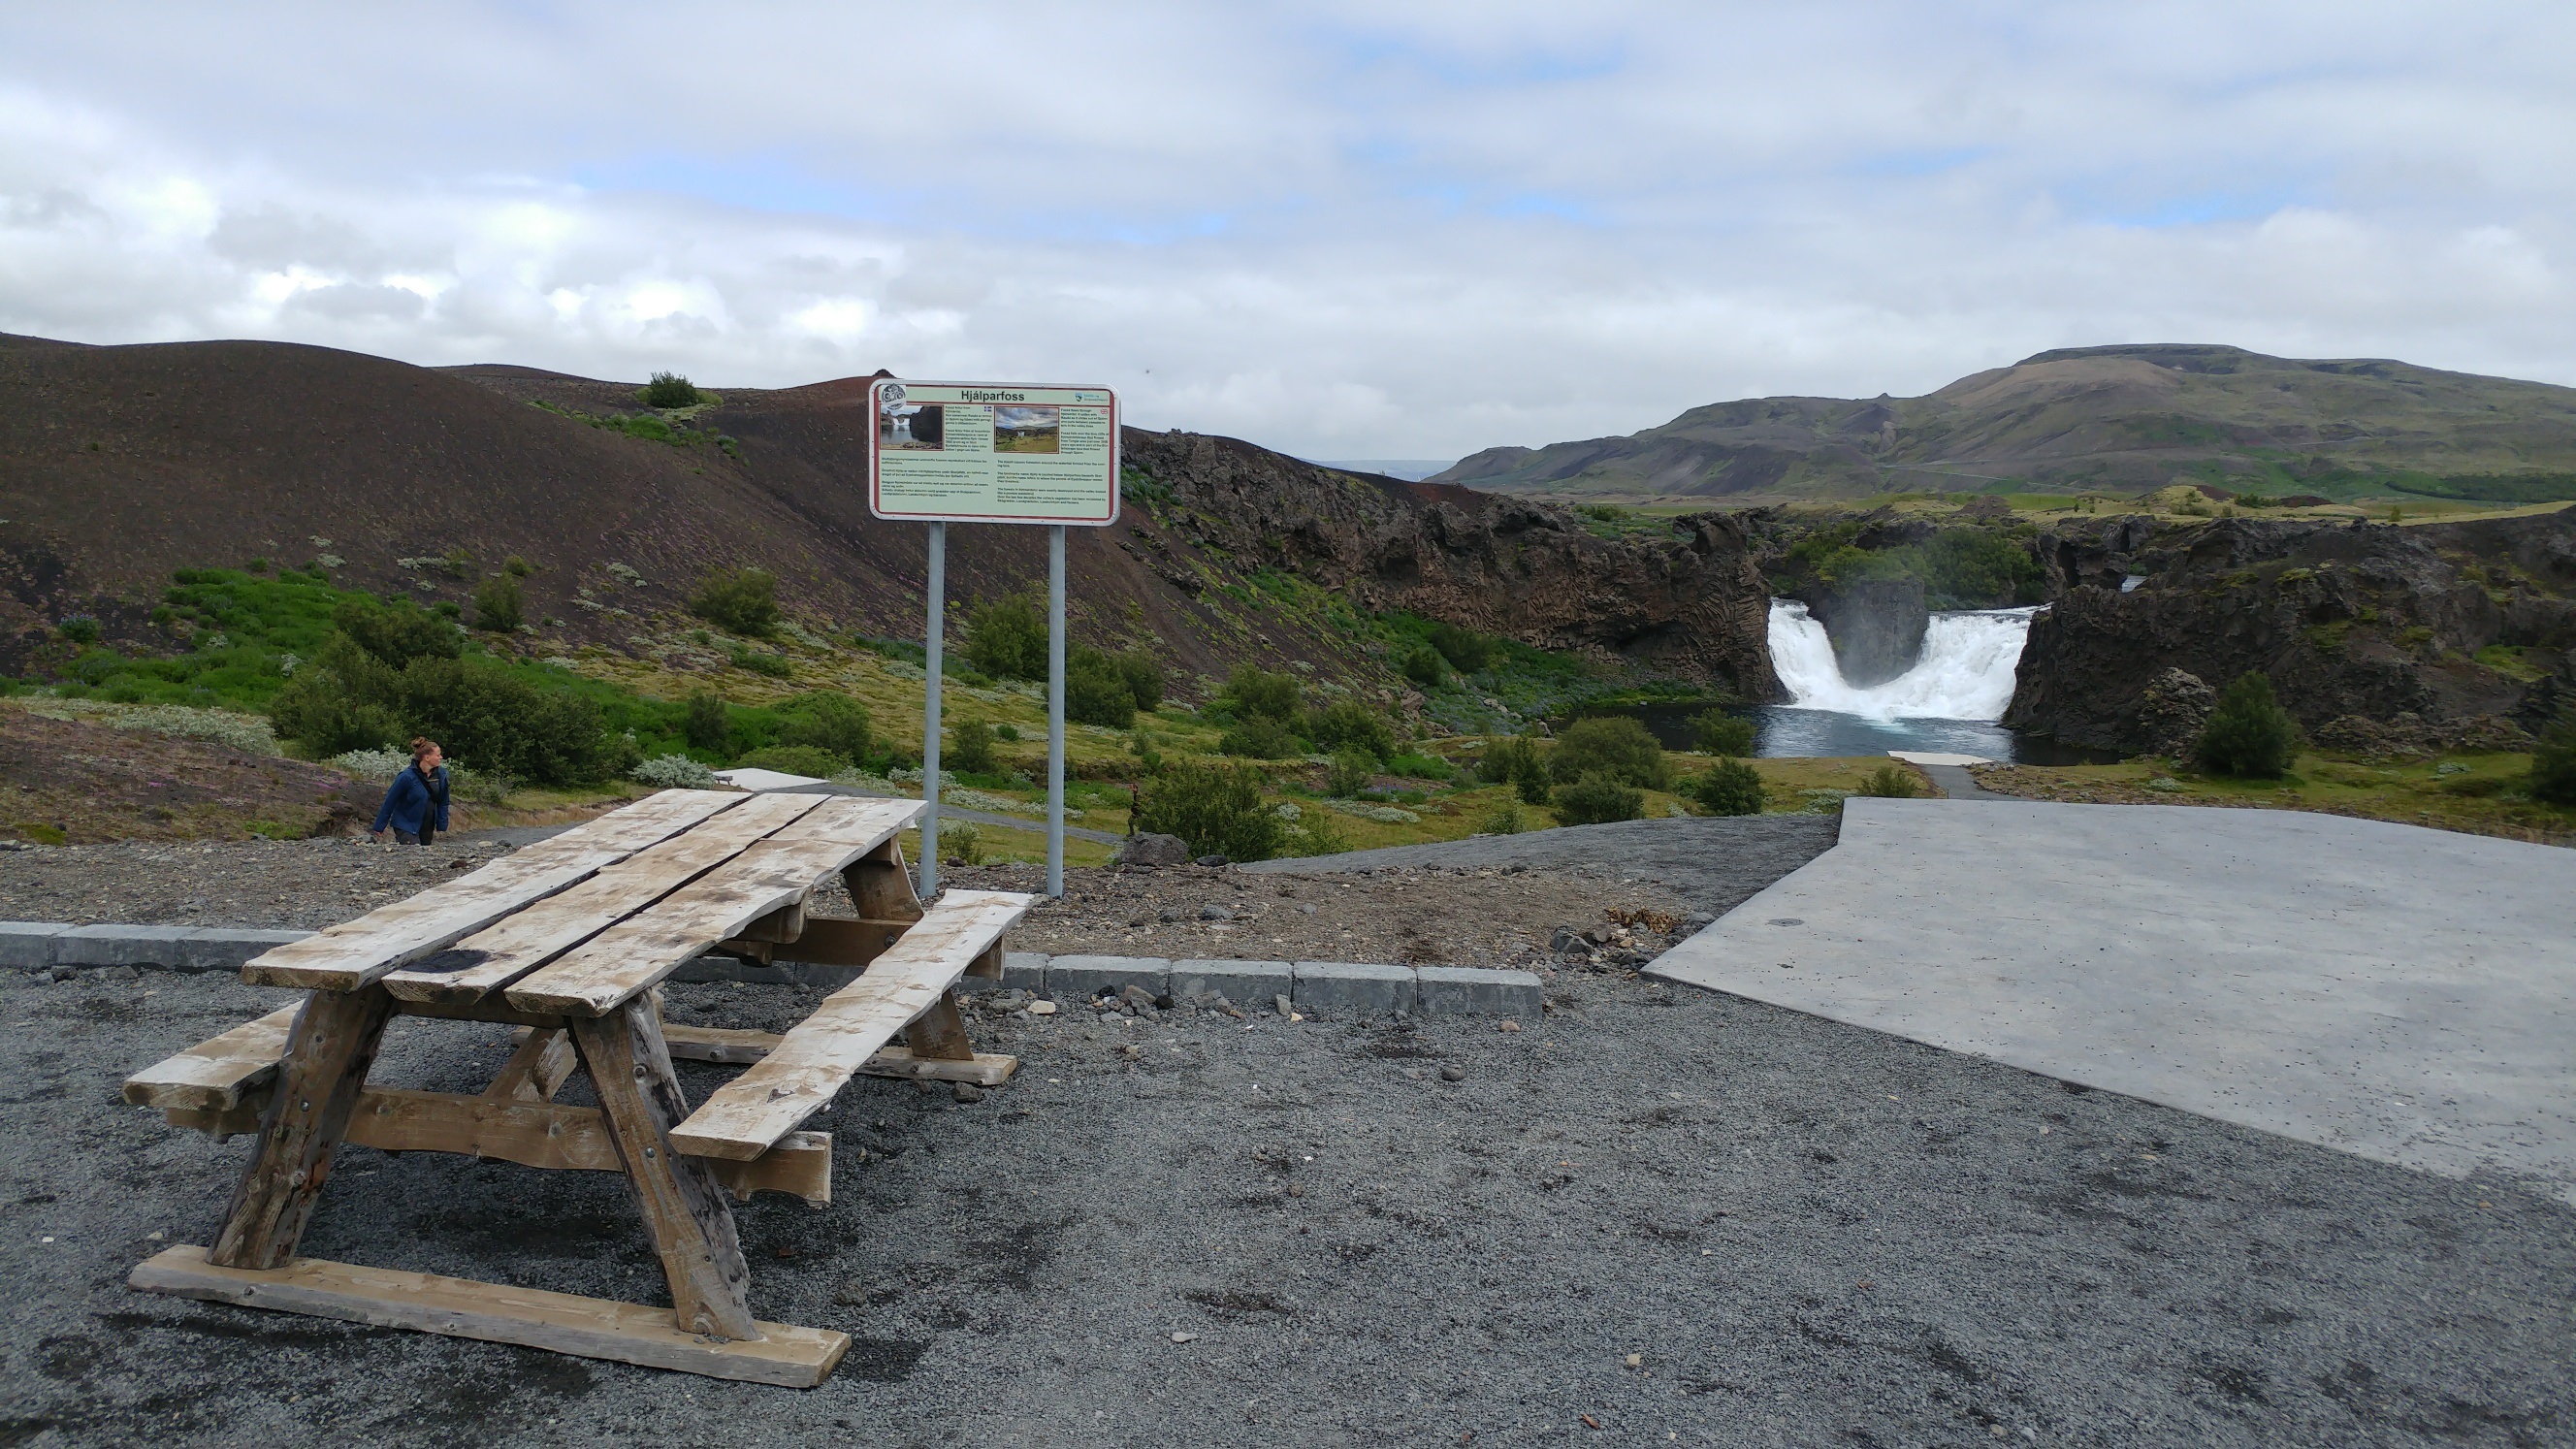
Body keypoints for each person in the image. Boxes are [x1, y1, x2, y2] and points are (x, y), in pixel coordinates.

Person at [370, 737, 450, 846]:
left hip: (427, 826)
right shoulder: (406, 777)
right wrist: (379, 827)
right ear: (427, 757)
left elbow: (443, 802)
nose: (441, 757)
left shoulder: (441, 776)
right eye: (437, 755)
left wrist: (442, 824)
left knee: (424, 859)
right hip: (405, 825)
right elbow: (390, 801)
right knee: (412, 855)